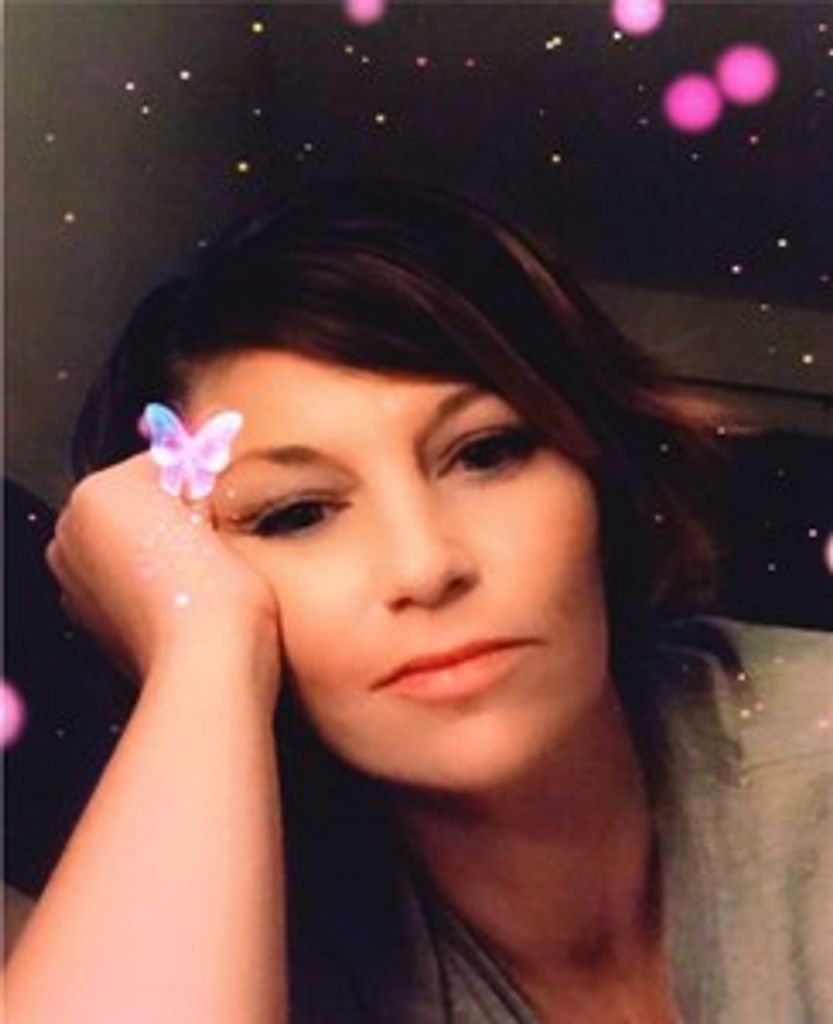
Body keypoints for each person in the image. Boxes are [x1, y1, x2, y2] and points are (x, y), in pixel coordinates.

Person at [4, 175, 831, 1023]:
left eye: (485, 453)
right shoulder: (234, 925)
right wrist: (198, 649)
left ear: (600, 477)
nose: (426, 565)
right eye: (296, 514)